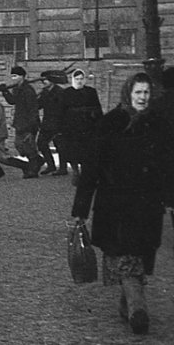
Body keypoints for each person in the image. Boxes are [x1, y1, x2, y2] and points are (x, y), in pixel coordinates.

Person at [71, 74, 174, 335]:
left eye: (146, 93)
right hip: (115, 204)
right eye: (138, 92)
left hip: (148, 205)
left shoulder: (158, 124)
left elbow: (168, 166)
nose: (142, 97)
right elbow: (92, 167)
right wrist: (80, 209)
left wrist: (171, 200)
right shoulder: (111, 123)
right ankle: (138, 309)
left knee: (139, 256)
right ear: (128, 93)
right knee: (125, 256)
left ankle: (128, 303)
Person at [57, 68, 104, 186]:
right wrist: (61, 127)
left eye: (81, 79)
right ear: (73, 80)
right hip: (72, 127)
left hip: (88, 127)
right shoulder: (66, 93)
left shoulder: (91, 92)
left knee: (86, 152)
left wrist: (98, 122)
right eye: (77, 79)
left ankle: (84, 173)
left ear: (85, 80)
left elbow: (97, 108)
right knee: (73, 151)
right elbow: (61, 111)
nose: (79, 81)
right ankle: (75, 172)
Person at [0, 65, 42, 178]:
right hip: (20, 122)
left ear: (22, 77)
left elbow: (33, 110)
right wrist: (5, 92)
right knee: (19, 146)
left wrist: (31, 128)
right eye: (12, 76)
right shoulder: (17, 89)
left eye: (15, 76)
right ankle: (38, 161)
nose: (13, 78)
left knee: (28, 147)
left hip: (28, 123)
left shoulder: (28, 90)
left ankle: (33, 170)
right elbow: (12, 101)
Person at [37, 70, 67, 175]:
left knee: (60, 146)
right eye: (43, 80)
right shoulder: (45, 92)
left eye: (46, 80)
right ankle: (51, 165)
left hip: (59, 123)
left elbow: (64, 109)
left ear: (52, 80)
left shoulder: (60, 92)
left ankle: (63, 168)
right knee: (41, 143)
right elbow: (38, 105)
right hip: (47, 123)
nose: (44, 82)